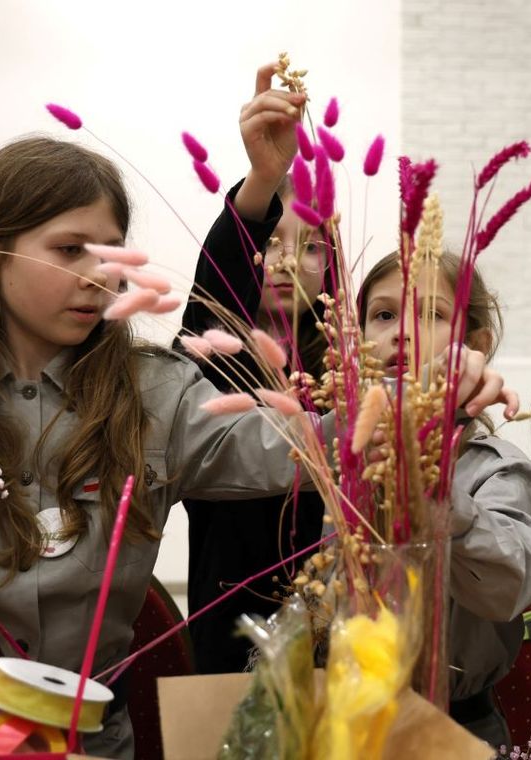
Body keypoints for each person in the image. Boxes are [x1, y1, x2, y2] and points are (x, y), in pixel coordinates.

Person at [0, 133, 514, 758]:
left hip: (94, 741)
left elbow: (302, 445)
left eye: (110, 253)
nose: (100, 274)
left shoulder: (156, 395)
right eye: (69, 249)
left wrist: (423, 395)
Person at [358, 250, 531, 747]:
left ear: (475, 346)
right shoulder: (331, 463)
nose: (400, 333)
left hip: (455, 727)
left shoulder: (497, 469)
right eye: (383, 315)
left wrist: (435, 497)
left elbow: (507, 586)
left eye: (432, 315)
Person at [179, 63, 330, 673]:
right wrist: (263, 183)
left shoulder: (352, 376)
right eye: (271, 242)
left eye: (313, 245)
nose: (289, 260)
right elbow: (206, 305)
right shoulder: (217, 370)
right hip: (234, 633)